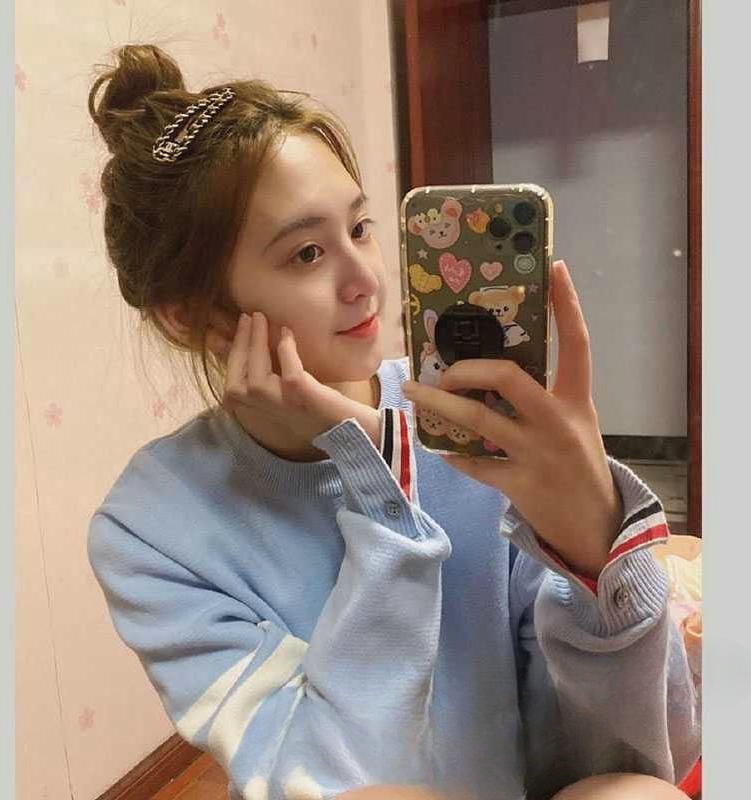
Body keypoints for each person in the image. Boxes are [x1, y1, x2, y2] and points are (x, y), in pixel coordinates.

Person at [86, 44, 700, 800]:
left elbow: (642, 753)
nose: (367, 279)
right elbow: (334, 781)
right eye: (308, 253)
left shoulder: (469, 421)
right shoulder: (150, 528)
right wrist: (374, 478)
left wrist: (592, 542)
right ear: (194, 317)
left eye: (361, 228)